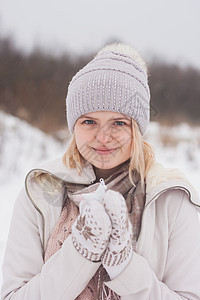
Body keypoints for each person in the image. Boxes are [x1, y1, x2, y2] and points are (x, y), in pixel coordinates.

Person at [1, 43, 200, 300]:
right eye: (89, 121)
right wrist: (80, 252)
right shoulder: (40, 191)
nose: (103, 137)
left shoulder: (170, 198)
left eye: (119, 122)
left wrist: (125, 267)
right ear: (74, 126)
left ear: (137, 129)